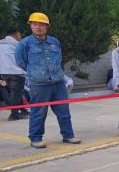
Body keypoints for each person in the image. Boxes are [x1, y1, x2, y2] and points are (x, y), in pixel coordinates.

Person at [15, 12, 81, 149]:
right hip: (39, 84)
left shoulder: (54, 42)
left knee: (64, 111)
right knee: (38, 113)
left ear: (47, 26)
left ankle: (68, 135)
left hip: (58, 83)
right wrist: (36, 73)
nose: (38, 27)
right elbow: (21, 62)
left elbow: (59, 59)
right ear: (30, 26)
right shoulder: (24, 44)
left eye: (41, 24)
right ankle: (36, 138)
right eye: (34, 24)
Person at [0, 26, 29, 120]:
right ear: (16, 34)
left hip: (4, 72)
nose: (20, 36)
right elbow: (24, 58)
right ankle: (14, 115)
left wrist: (0, 70)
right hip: (17, 72)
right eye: (19, 34)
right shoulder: (18, 44)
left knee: (17, 92)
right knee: (16, 93)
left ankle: (23, 110)